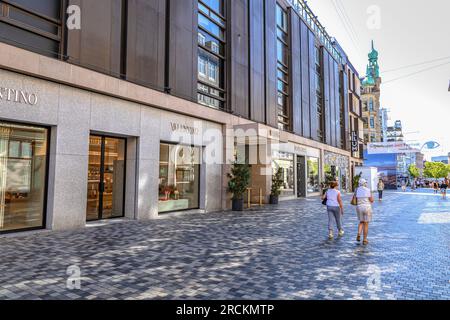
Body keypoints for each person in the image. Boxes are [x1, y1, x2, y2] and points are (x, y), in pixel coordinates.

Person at [354, 178, 374, 245]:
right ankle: (365, 239)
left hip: (359, 207)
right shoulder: (368, 190)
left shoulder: (356, 190)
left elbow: (355, 199)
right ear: (364, 183)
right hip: (367, 207)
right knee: (366, 224)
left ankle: (359, 233)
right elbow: (371, 200)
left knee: (361, 222)